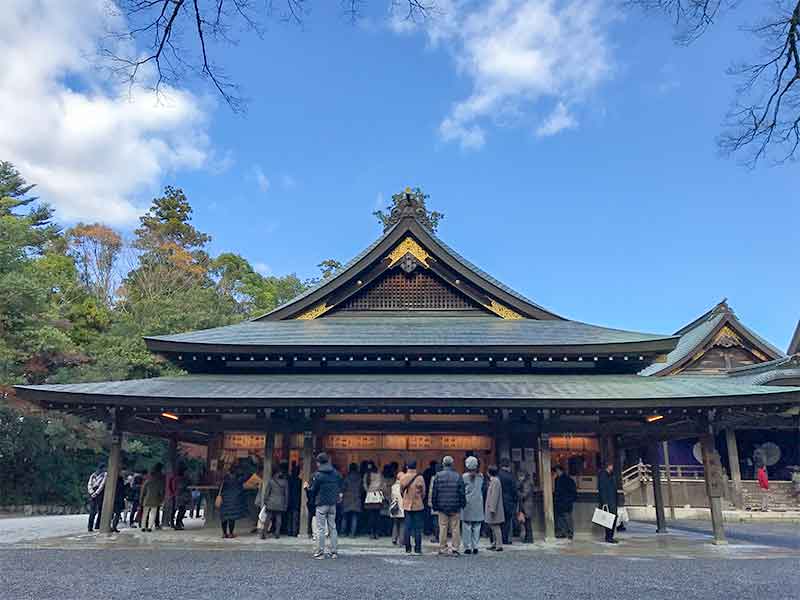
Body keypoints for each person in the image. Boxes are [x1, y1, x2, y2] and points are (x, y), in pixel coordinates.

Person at [307, 452, 344, 559]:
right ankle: (334, 552)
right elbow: (340, 484)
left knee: (321, 529)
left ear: (319, 462)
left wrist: (306, 488)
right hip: (333, 504)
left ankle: (320, 552)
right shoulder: (336, 473)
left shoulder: (318, 475)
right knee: (333, 528)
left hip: (321, 503)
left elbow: (313, 490)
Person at [431, 455, 466, 556]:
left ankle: (443, 548)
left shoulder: (438, 475)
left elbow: (435, 492)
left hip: (442, 506)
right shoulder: (458, 476)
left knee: (443, 527)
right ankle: (455, 548)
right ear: (452, 464)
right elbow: (462, 492)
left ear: (443, 464)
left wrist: (435, 505)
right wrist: (462, 504)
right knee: (455, 528)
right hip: (455, 506)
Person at [398, 459, 426, 555]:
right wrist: (419, 498)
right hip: (418, 505)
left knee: (407, 527)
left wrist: (405, 498)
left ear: (407, 467)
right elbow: (423, 492)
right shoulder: (420, 478)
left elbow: (401, 491)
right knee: (418, 528)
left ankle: (408, 549)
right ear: (416, 467)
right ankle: (418, 549)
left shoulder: (403, 477)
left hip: (406, 505)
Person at [461, 456, 484, 555]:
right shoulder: (481, 477)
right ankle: (476, 546)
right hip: (478, 502)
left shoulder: (464, 477)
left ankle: (468, 546)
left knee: (467, 526)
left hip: (467, 503)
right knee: (477, 526)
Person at [262, 461, 289, 539]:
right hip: (280, 502)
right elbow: (286, 494)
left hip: (271, 502)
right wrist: (286, 504)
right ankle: (277, 533)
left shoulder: (271, 481)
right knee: (278, 518)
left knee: (268, 518)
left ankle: (264, 533)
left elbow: (267, 493)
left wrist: (265, 501)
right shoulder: (285, 482)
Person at [220, 464, 248, 539]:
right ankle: (231, 533)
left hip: (225, 500)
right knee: (231, 517)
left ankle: (224, 533)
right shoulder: (238, 480)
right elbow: (247, 476)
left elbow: (220, 487)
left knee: (224, 517)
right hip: (234, 501)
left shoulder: (225, 479)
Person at [497, 458, 518, 545]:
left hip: (499, 500)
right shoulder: (511, 476)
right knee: (508, 521)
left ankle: (499, 538)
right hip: (509, 501)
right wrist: (515, 500)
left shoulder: (498, 475)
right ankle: (506, 538)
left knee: (499, 521)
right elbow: (514, 490)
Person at [553, 465, 577, 540]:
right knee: (561, 518)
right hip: (562, 501)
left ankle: (568, 533)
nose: (556, 472)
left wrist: (569, 500)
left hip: (565, 501)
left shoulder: (567, 479)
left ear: (560, 470)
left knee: (566, 518)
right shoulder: (558, 479)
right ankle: (563, 532)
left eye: (557, 471)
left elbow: (573, 492)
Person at [485, 465, 505, 551]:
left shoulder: (495, 481)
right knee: (493, 526)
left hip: (494, 508)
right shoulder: (494, 481)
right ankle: (495, 543)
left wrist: (492, 508)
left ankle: (499, 544)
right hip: (492, 507)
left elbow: (494, 496)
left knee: (495, 526)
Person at [597, 462, 618, 544]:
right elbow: (602, 489)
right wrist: (604, 502)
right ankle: (609, 537)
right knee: (608, 519)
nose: (612, 467)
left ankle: (610, 536)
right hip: (608, 501)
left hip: (612, 500)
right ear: (608, 466)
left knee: (612, 518)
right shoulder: (603, 475)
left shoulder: (611, 475)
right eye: (611, 465)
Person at [141, 463, 165, 532]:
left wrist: (141, 499)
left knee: (145, 514)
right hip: (155, 499)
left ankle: (143, 526)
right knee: (153, 514)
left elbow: (143, 492)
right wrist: (161, 500)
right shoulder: (158, 482)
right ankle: (149, 527)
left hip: (146, 499)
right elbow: (161, 492)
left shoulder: (147, 482)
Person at [363, 461, 384, 539]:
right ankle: (377, 533)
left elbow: (365, 486)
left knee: (370, 516)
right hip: (377, 497)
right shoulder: (379, 475)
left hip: (369, 497)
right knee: (377, 516)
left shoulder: (366, 475)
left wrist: (369, 490)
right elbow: (382, 485)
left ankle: (371, 533)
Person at [341, 463, 362, 537]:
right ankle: (352, 534)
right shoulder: (359, 478)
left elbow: (343, 488)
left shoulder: (347, 477)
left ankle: (343, 533)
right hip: (356, 498)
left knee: (345, 517)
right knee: (354, 517)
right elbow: (361, 488)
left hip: (347, 498)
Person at [517, 469, 536, 543]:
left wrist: (517, 492)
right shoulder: (525, 483)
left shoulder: (527, 484)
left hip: (527, 505)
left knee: (527, 523)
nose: (519, 478)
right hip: (526, 505)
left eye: (520, 476)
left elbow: (524, 495)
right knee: (526, 523)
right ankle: (528, 537)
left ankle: (529, 538)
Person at [87, 463, 107, 532]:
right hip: (96, 493)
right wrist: (92, 492)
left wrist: (94, 493)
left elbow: (102, 484)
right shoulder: (93, 475)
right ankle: (90, 526)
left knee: (100, 510)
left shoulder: (104, 475)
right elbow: (89, 484)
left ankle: (97, 525)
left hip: (97, 493)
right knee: (93, 511)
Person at [173, 464, 191, 530]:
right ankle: (178, 523)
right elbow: (182, 487)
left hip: (179, 495)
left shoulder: (178, 478)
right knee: (182, 510)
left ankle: (178, 523)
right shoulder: (182, 479)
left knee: (182, 510)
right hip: (182, 496)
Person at [389, 471, 405, 544]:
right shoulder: (404, 486)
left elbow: (392, 496)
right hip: (402, 507)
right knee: (402, 524)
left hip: (394, 507)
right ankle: (401, 540)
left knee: (395, 523)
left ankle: (394, 539)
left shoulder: (393, 486)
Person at [422, 460, 437, 536]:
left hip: (426, 496)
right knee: (435, 516)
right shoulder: (436, 474)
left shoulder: (426, 472)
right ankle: (434, 531)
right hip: (434, 496)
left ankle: (427, 530)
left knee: (427, 515)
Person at [428, 463, 441, 543]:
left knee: (435, 520)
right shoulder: (446, 476)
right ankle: (442, 536)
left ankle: (437, 536)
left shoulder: (434, 478)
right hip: (444, 502)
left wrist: (430, 502)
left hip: (435, 502)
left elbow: (431, 491)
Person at [287, 464, 302, 536]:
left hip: (289, 500)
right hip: (297, 500)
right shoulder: (300, 481)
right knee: (295, 517)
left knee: (289, 516)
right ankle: (294, 531)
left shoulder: (288, 480)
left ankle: (289, 531)